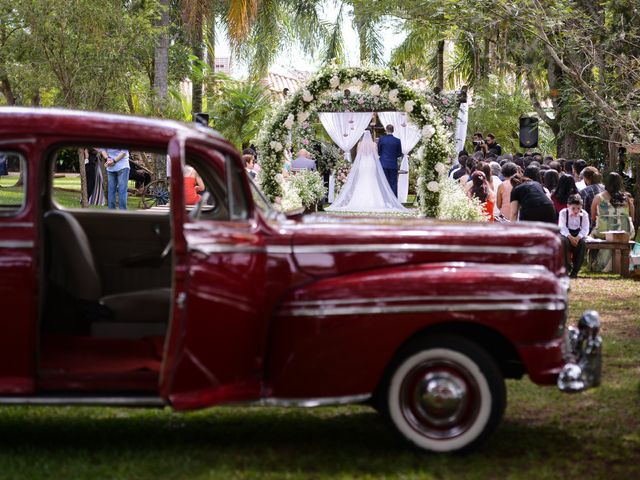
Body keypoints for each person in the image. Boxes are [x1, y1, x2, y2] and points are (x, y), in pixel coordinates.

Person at [326, 130, 407, 213]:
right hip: (371, 163)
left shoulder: (359, 144)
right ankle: (376, 202)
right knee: (372, 180)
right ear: (371, 135)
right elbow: (376, 155)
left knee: (361, 180)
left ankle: (358, 200)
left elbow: (358, 156)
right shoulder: (374, 144)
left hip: (363, 164)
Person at [590, 172, 635, 272]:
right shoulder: (627, 199)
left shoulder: (598, 197)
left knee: (593, 233)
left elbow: (593, 218)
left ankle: (597, 263)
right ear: (620, 184)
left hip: (603, 232)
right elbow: (632, 217)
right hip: (626, 232)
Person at [558, 194, 590, 278]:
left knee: (582, 244)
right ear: (568, 206)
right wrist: (570, 237)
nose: (576, 211)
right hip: (566, 235)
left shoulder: (584, 214)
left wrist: (578, 237)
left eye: (579, 208)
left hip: (578, 235)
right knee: (563, 242)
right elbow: (562, 227)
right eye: (573, 208)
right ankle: (565, 267)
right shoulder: (563, 213)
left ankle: (575, 271)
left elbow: (585, 229)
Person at [378, 124, 403, 197]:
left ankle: (385, 199)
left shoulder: (382, 139)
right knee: (393, 182)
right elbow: (399, 153)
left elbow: (379, 152)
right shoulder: (397, 141)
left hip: (383, 163)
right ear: (393, 130)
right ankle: (394, 199)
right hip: (393, 164)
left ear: (386, 130)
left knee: (384, 182)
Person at [579, 166, 604, 231]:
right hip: (607, 225)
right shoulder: (605, 189)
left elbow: (583, 212)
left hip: (591, 227)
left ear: (585, 178)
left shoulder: (584, 192)